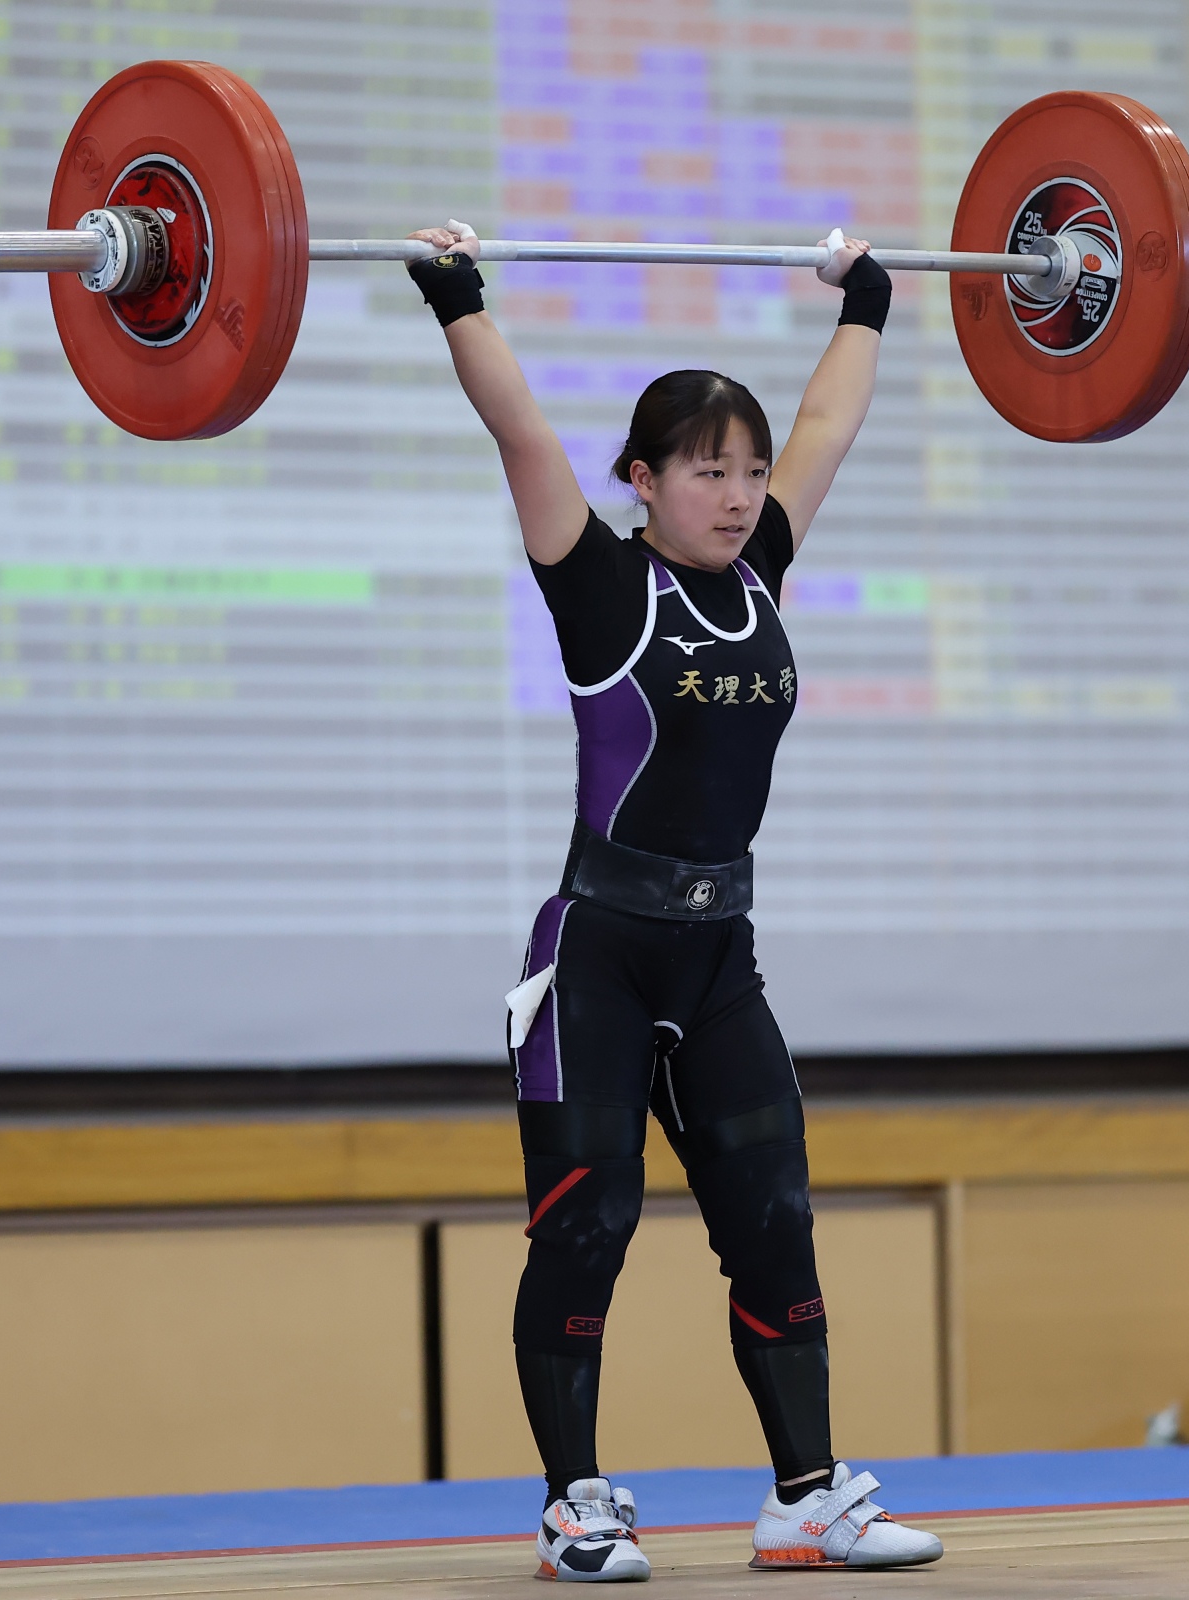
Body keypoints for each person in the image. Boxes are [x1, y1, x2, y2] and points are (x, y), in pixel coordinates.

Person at [405, 220, 944, 1582]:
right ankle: (574, 1505)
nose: (743, 493)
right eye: (710, 471)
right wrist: (458, 295)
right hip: (600, 956)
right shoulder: (602, 585)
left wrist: (868, 304)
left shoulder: (760, 575)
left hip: (717, 960)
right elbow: (522, 430)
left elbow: (829, 424)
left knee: (772, 1215)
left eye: (751, 471)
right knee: (586, 1227)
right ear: (642, 481)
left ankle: (807, 1500)